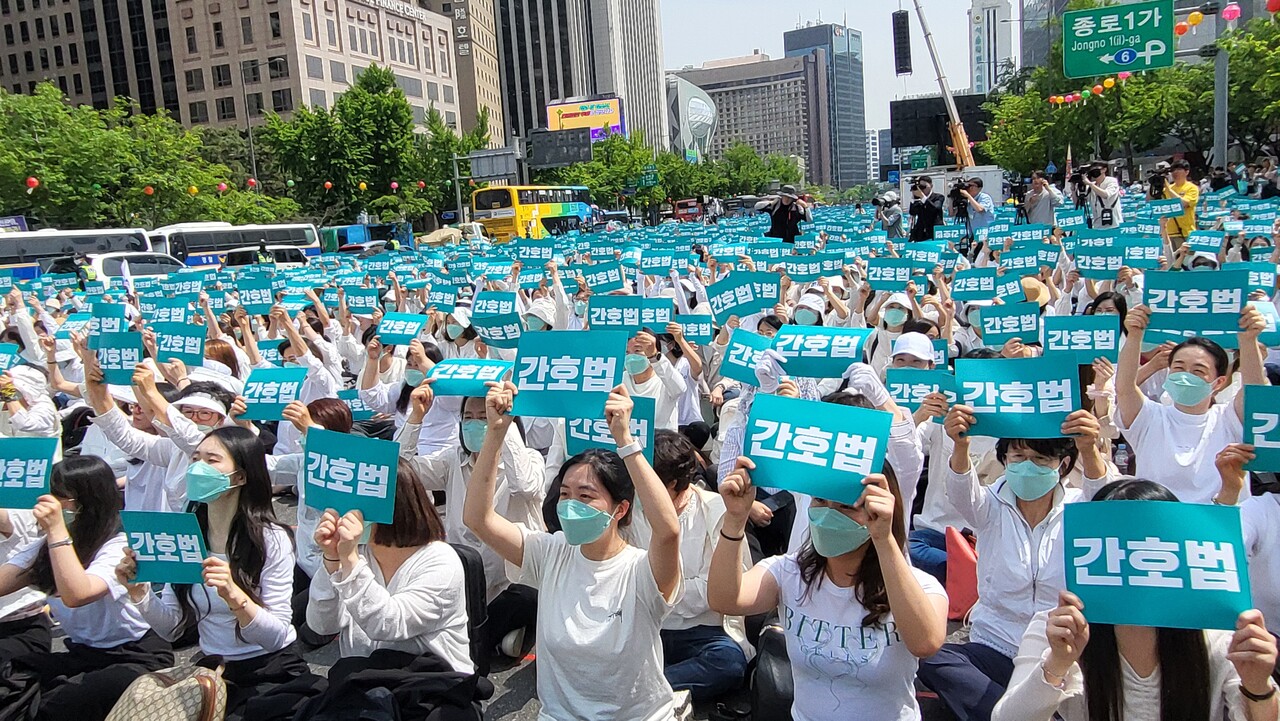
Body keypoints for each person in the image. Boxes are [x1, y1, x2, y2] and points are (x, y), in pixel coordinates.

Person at [462, 382, 684, 720]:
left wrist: (626, 441)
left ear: (620, 509)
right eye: (565, 494)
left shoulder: (641, 570)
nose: (569, 506)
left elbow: (667, 532)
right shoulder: (552, 553)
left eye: (586, 496)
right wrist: (495, 433)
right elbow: (479, 519)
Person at [992, 479, 1280, 721]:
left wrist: (1258, 685)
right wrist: (1057, 663)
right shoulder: (1059, 630)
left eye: (1151, 555)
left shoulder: (1218, 635)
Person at [708, 457, 948, 721]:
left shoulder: (920, 587)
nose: (828, 515)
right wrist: (734, 520)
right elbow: (725, 599)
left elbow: (925, 643)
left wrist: (884, 539)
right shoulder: (790, 572)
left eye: (846, 506)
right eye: (820, 501)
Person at [917, 405, 1109, 721]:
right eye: (1018, 459)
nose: (1028, 467)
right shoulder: (991, 503)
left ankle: (1014, 708)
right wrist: (961, 444)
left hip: (1056, 649)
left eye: (1040, 460)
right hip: (993, 644)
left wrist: (1088, 448)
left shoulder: (1079, 509)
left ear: (1061, 466)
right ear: (1004, 461)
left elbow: (1106, 503)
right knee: (933, 658)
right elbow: (961, 491)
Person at [117, 427, 311, 720]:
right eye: (195, 459)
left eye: (212, 460)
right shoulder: (183, 534)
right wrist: (139, 593)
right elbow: (172, 628)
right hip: (212, 671)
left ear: (241, 476)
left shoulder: (270, 539)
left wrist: (235, 596)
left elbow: (277, 635)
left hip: (270, 671)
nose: (197, 469)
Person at [0, 457, 174, 720]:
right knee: (10, 677)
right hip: (84, 652)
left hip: (135, 654)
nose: (51, 503)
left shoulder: (119, 545)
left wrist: (58, 531)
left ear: (89, 501)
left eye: (61, 497)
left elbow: (77, 594)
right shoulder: (45, 547)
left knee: (63, 702)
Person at [306, 459, 472, 672]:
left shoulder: (441, 561)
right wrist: (332, 559)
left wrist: (349, 560)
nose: (345, 517)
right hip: (363, 685)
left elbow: (388, 624)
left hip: (430, 690)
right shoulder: (360, 552)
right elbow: (321, 624)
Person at [1115, 304, 1265, 504]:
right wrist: (1134, 335)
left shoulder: (1228, 419)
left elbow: (1255, 393)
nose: (1186, 376)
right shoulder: (1149, 418)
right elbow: (1125, 388)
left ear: (1218, 382)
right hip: (1159, 528)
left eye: (1198, 371)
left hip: (1219, 525)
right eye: (1179, 367)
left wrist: (1248, 340)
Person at [1163, 159, 1201, 250]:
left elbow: (1183, 204)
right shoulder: (1167, 188)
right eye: (1173, 170)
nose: (1175, 172)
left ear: (1187, 172)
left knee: (1185, 261)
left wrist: (1169, 190)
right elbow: (1149, 200)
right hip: (1168, 233)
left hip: (1185, 233)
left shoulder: (1192, 188)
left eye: (1179, 169)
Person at [1077, 161, 1124, 229]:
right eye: (1091, 169)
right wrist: (1073, 188)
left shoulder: (1111, 181)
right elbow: (1078, 202)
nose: (1093, 170)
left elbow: (1105, 195)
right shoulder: (1091, 186)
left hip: (1113, 224)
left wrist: (1090, 184)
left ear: (1104, 169)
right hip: (1097, 225)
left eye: (1096, 168)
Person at [909, 176, 947, 242]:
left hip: (934, 231)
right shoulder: (919, 199)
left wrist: (923, 197)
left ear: (931, 186)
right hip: (921, 233)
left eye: (924, 187)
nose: (922, 189)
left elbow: (935, 208)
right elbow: (912, 212)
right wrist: (914, 198)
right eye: (921, 187)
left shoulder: (938, 197)